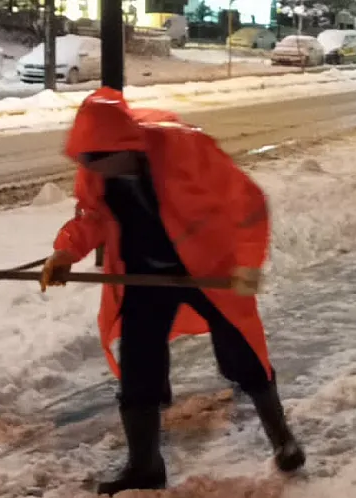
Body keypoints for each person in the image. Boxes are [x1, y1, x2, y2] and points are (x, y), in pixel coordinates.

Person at [39, 87, 305, 495]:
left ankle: (282, 439)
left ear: (127, 147)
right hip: (145, 274)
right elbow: (92, 216)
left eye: (103, 161)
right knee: (139, 362)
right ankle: (144, 465)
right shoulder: (95, 165)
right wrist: (64, 250)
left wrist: (248, 263)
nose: (97, 170)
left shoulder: (185, 149)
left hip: (210, 267)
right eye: (89, 162)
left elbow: (248, 202)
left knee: (242, 352)